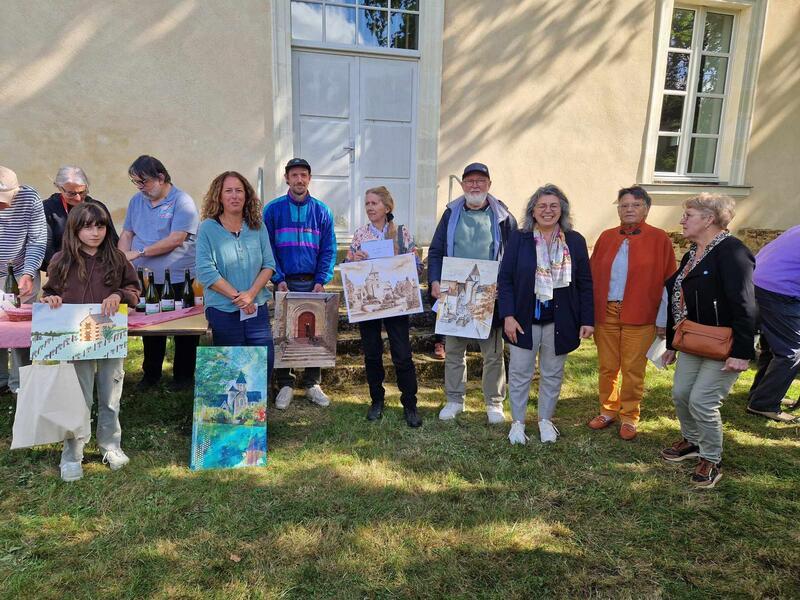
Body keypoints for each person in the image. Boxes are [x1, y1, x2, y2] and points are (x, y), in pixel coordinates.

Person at [660, 194, 756, 489]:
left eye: (688, 215)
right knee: (681, 394)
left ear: (709, 219)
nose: (682, 220)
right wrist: (672, 344)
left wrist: (742, 352)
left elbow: (745, 305)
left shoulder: (733, 253)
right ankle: (692, 441)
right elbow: (679, 302)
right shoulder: (693, 253)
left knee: (702, 401)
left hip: (724, 344)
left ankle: (711, 459)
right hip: (694, 339)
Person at [41, 203, 140, 482]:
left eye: (100, 226)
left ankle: (110, 446)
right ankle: (72, 454)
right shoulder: (61, 260)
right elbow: (49, 292)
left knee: (110, 396)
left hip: (109, 337)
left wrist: (119, 295)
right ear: (74, 229)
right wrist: (51, 298)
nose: (95, 232)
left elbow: (134, 290)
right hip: (74, 340)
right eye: (87, 227)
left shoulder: (117, 258)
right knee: (77, 398)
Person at [498, 184, 594, 444]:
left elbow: (585, 283)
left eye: (553, 206)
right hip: (523, 319)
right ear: (533, 210)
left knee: (552, 373)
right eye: (542, 206)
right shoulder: (519, 239)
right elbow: (505, 280)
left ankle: (545, 420)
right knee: (520, 373)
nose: (547, 211)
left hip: (561, 320)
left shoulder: (575, 241)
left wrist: (587, 319)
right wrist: (508, 316)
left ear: (562, 210)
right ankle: (517, 423)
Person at [427, 162, 518, 423]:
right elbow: (436, 251)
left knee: (493, 354)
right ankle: (455, 400)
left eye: (480, 181)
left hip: (490, 295)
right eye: (469, 181)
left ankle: (494, 403)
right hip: (455, 294)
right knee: (454, 351)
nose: (475, 185)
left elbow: (513, 256)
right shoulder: (450, 214)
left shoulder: (503, 217)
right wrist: (435, 280)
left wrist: (505, 286)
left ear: (489, 185)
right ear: (463, 185)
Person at [587, 186, 676, 440]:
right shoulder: (606, 237)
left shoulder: (659, 239)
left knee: (633, 370)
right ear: (618, 209)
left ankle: (629, 416)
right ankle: (607, 410)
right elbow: (591, 277)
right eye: (624, 205)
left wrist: (664, 320)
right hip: (606, 313)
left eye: (635, 205)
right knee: (607, 367)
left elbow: (669, 283)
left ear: (646, 209)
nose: (629, 209)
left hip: (641, 314)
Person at [117, 155, 200, 390]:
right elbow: (127, 233)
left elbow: (176, 239)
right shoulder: (137, 201)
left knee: (185, 328)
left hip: (180, 278)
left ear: (161, 177)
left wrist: (139, 253)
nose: (139, 187)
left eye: (143, 181)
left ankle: (183, 377)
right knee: (150, 326)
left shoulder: (182, 201)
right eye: (135, 182)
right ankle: (151, 375)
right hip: (145, 278)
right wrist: (121, 259)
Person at [346, 186, 422, 428]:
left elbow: (417, 265)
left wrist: (407, 261)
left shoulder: (401, 233)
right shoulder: (360, 235)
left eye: (374, 203)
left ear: (387, 207)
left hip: (394, 303)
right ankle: (376, 400)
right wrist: (353, 259)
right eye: (367, 203)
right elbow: (348, 265)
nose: (369, 207)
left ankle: (410, 403)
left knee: (402, 354)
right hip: (369, 302)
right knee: (371, 353)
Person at [264, 158, 336, 409]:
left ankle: (312, 383)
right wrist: (278, 278)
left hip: (313, 283)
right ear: (286, 178)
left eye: (304, 175)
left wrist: (321, 280)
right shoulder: (273, 210)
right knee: (284, 333)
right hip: (284, 282)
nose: (299, 180)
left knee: (314, 332)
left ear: (309, 178)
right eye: (294, 175)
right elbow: (267, 248)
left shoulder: (322, 211)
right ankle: (285, 384)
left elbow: (328, 249)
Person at [196, 171, 276, 384]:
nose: (234, 196)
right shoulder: (207, 228)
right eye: (228, 191)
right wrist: (238, 298)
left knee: (264, 361)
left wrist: (250, 295)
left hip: (256, 306)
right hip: (222, 309)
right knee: (231, 367)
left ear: (246, 195)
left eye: (239, 190)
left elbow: (269, 265)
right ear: (219, 196)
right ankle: (231, 406)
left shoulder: (258, 226)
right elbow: (205, 272)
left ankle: (257, 405)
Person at [745, 225, 800, 423]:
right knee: (791, 352)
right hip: (780, 290)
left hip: (758, 281)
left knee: (773, 347)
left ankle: (761, 394)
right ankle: (764, 403)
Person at [0, 166, 46, 395]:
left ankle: (21, 383)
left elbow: (37, 239)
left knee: (21, 328)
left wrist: (28, 273)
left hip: (21, 270)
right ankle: (0, 380)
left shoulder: (29, 198)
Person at [42, 166, 119, 272]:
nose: (78, 198)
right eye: (71, 193)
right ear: (59, 188)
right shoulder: (48, 209)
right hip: (63, 270)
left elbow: (112, 241)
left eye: (82, 192)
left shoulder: (97, 207)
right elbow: (46, 247)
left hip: (97, 269)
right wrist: (63, 269)